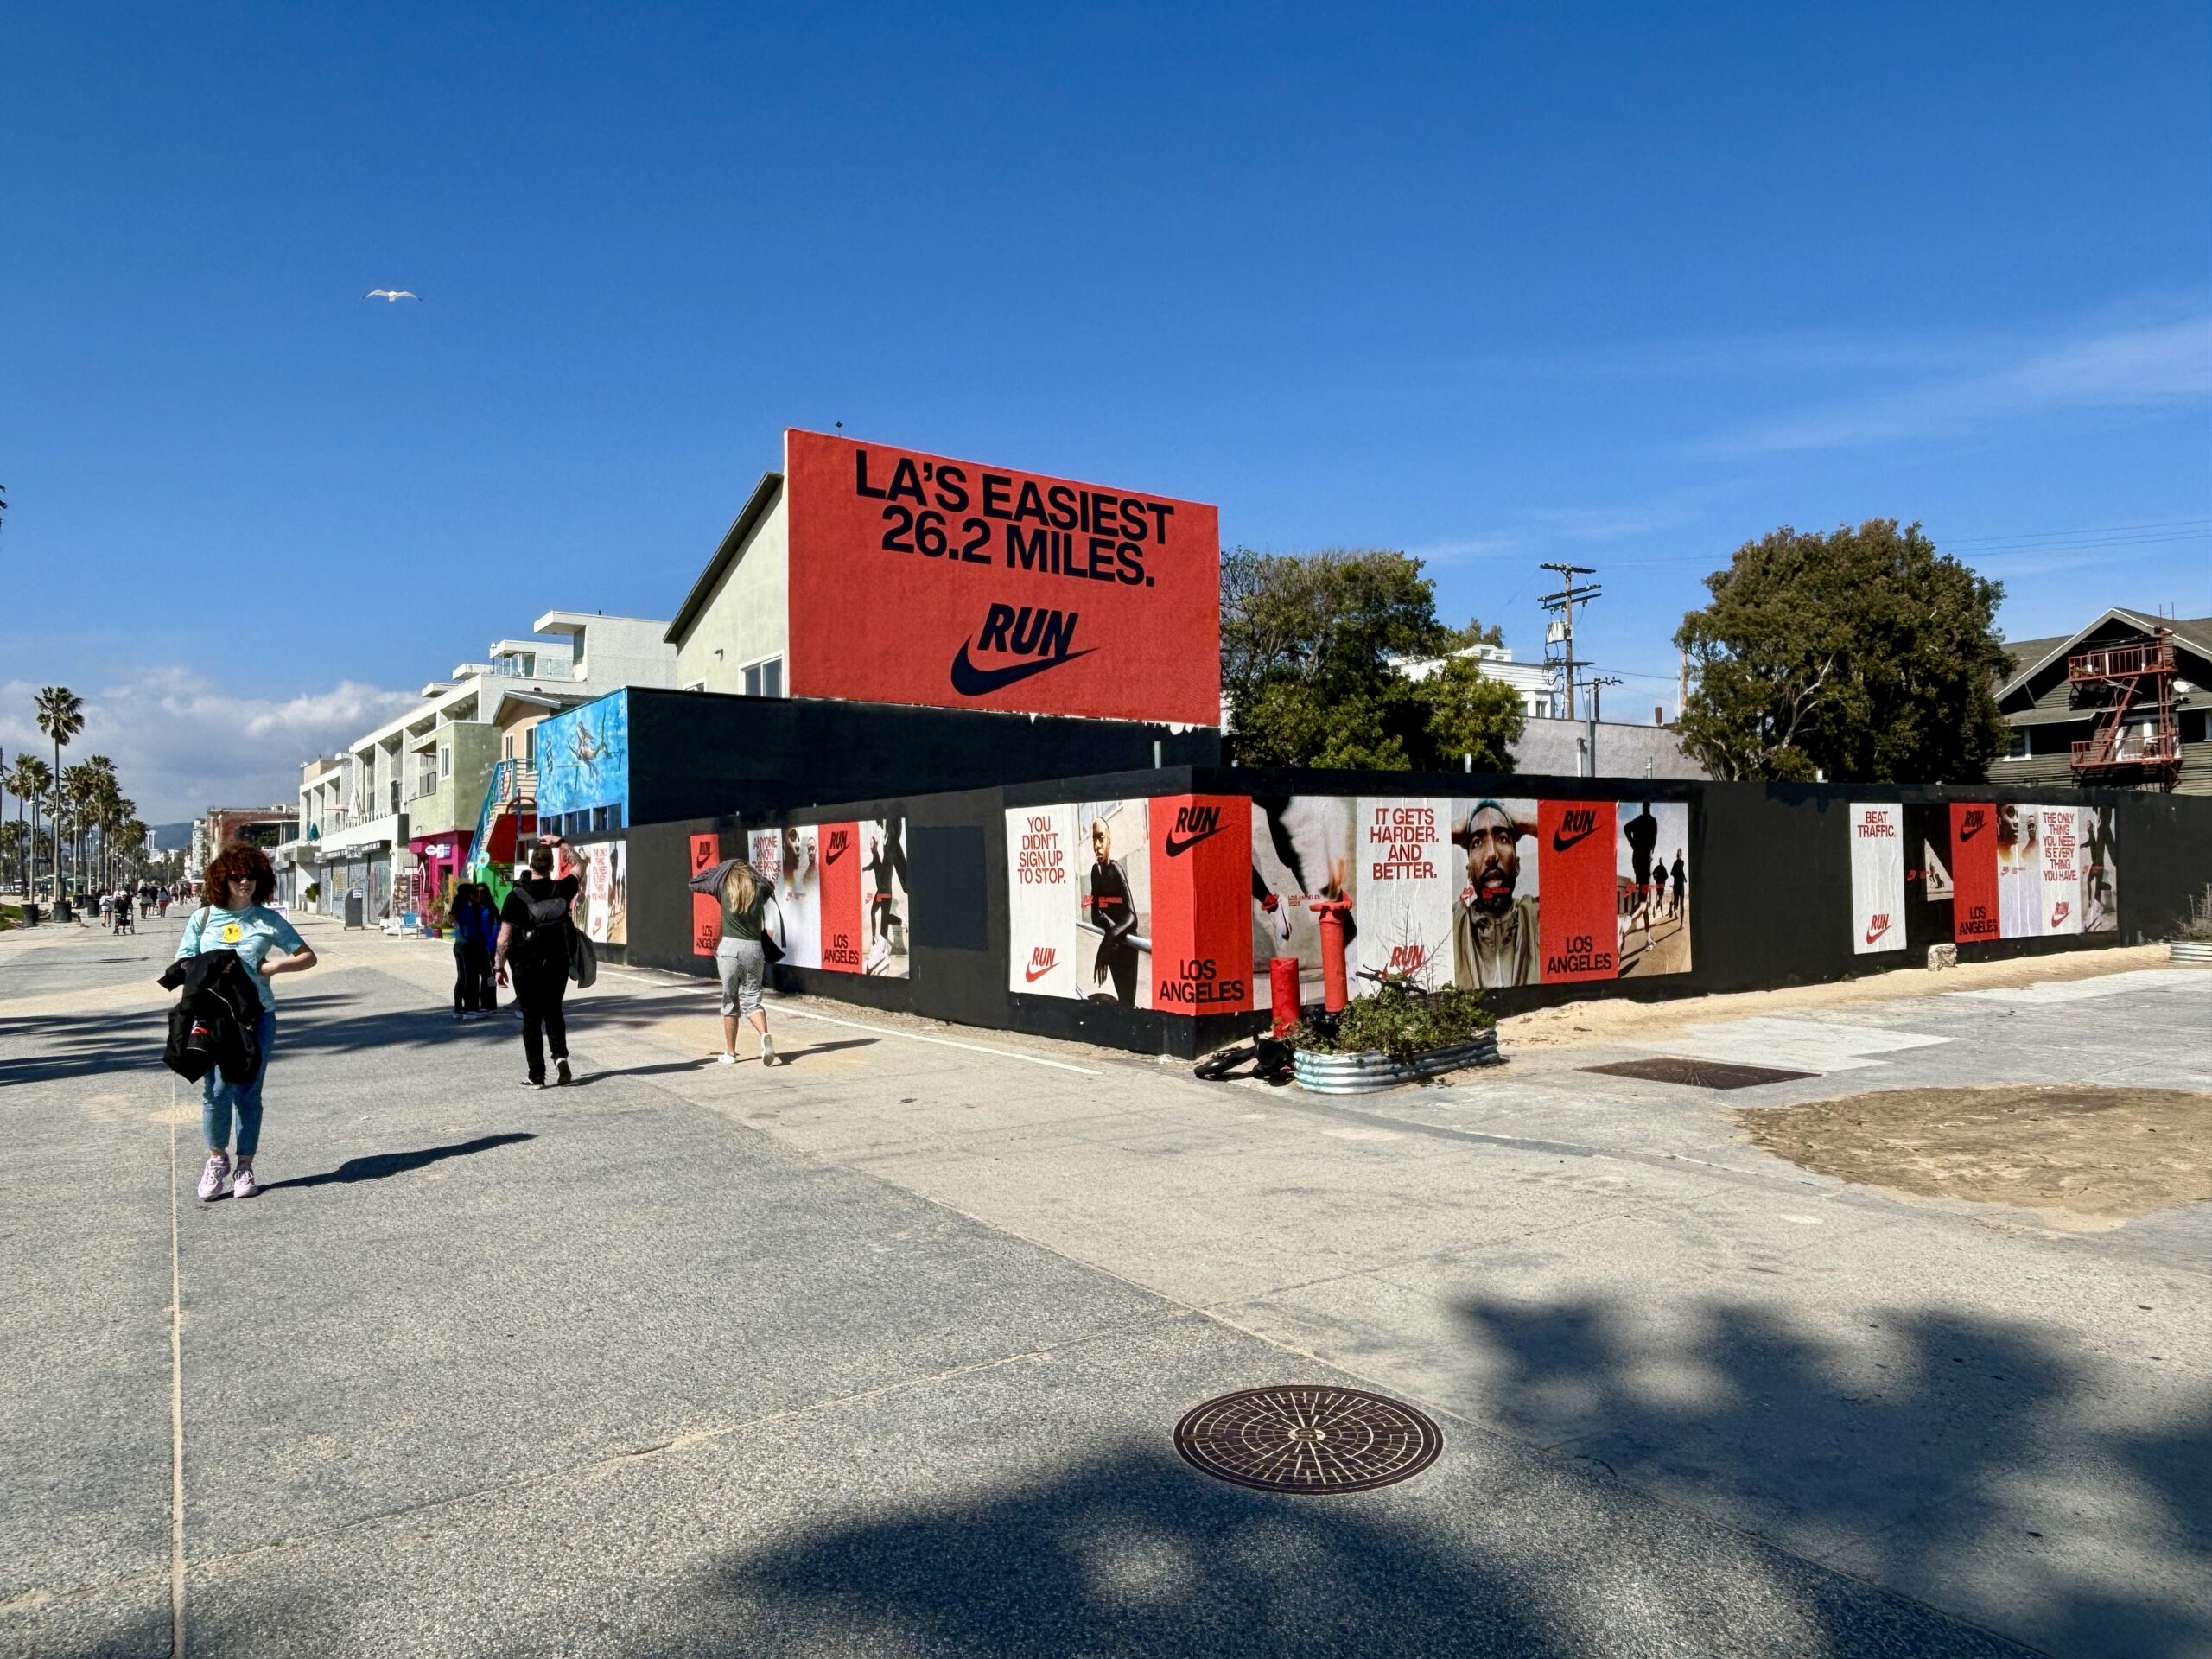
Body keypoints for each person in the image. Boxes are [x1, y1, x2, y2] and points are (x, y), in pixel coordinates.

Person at [177, 842, 318, 1200]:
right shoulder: (204, 918)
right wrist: (204, 971)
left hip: (257, 1019)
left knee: (248, 1092)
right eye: (237, 876)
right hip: (213, 1020)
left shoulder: (267, 920)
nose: (245, 883)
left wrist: (269, 967)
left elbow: (306, 957)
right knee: (215, 1092)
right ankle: (216, 1160)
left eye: (251, 876)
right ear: (222, 879)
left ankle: (245, 1166)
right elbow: (183, 964)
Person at [496, 837, 577, 1087]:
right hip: (557, 963)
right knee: (554, 1012)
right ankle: (560, 1057)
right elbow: (579, 865)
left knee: (531, 1019)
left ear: (531, 865)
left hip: (526, 967)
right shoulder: (562, 889)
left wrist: (499, 966)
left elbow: (504, 939)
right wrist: (562, 842)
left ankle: (537, 1076)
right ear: (552, 866)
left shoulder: (516, 897)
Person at [1452, 800, 1541, 988]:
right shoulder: (1453, 926)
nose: (1491, 854)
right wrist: (1451, 831)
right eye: (1477, 843)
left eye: (1502, 838)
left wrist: (1525, 821)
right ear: (1468, 872)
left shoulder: (1536, 918)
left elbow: (1589, 847)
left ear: (1517, 864)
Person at [714, 857, 780, 1065]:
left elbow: (706, 881)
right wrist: (754, 875)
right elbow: (769, 885)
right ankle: (764, 1035)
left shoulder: (723, 887)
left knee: (730, 1001)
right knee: (752, 1000)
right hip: (754, 949)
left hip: (730, 950)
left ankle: (730, 1053)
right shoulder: (759, 890)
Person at [1086, 817, 1140, 1005]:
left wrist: (1109, 936)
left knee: (1128, 1001)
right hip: (1115, 945)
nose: (1097, 845)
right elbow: (1095, 914)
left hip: (1126, 947)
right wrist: (1111, 931)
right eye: (1094, 839)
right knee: (1121, 997)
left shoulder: (1115, 869)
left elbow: (1132, 916)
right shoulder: (1095, 872)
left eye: (1101, 838)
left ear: (1109, 840)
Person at [451, 883, 498, 1019]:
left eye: (481, 892)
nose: (478, 895)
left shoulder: (468, 907)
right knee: (470, 977)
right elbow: (470, 930)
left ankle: (461, 1007)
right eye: (475, 892)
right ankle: (470, 1008)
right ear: (470, 895)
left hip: (465, 945)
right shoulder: (468, 908)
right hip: (469, 946)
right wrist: (478, 941)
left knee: (466, 976)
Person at [1669, 849, 1687, 918]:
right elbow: (1681, 871)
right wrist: (1685, 879)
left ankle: (1675, 913)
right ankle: (1681, 923)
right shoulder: (1681, 862)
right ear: (1681, 855)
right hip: (1680, 884)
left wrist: (1675, 876)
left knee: (1676, 902)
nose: (1678, 854)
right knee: (1681, 904)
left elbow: (1671, 873)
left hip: (1675, 884)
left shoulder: (1675, 863)